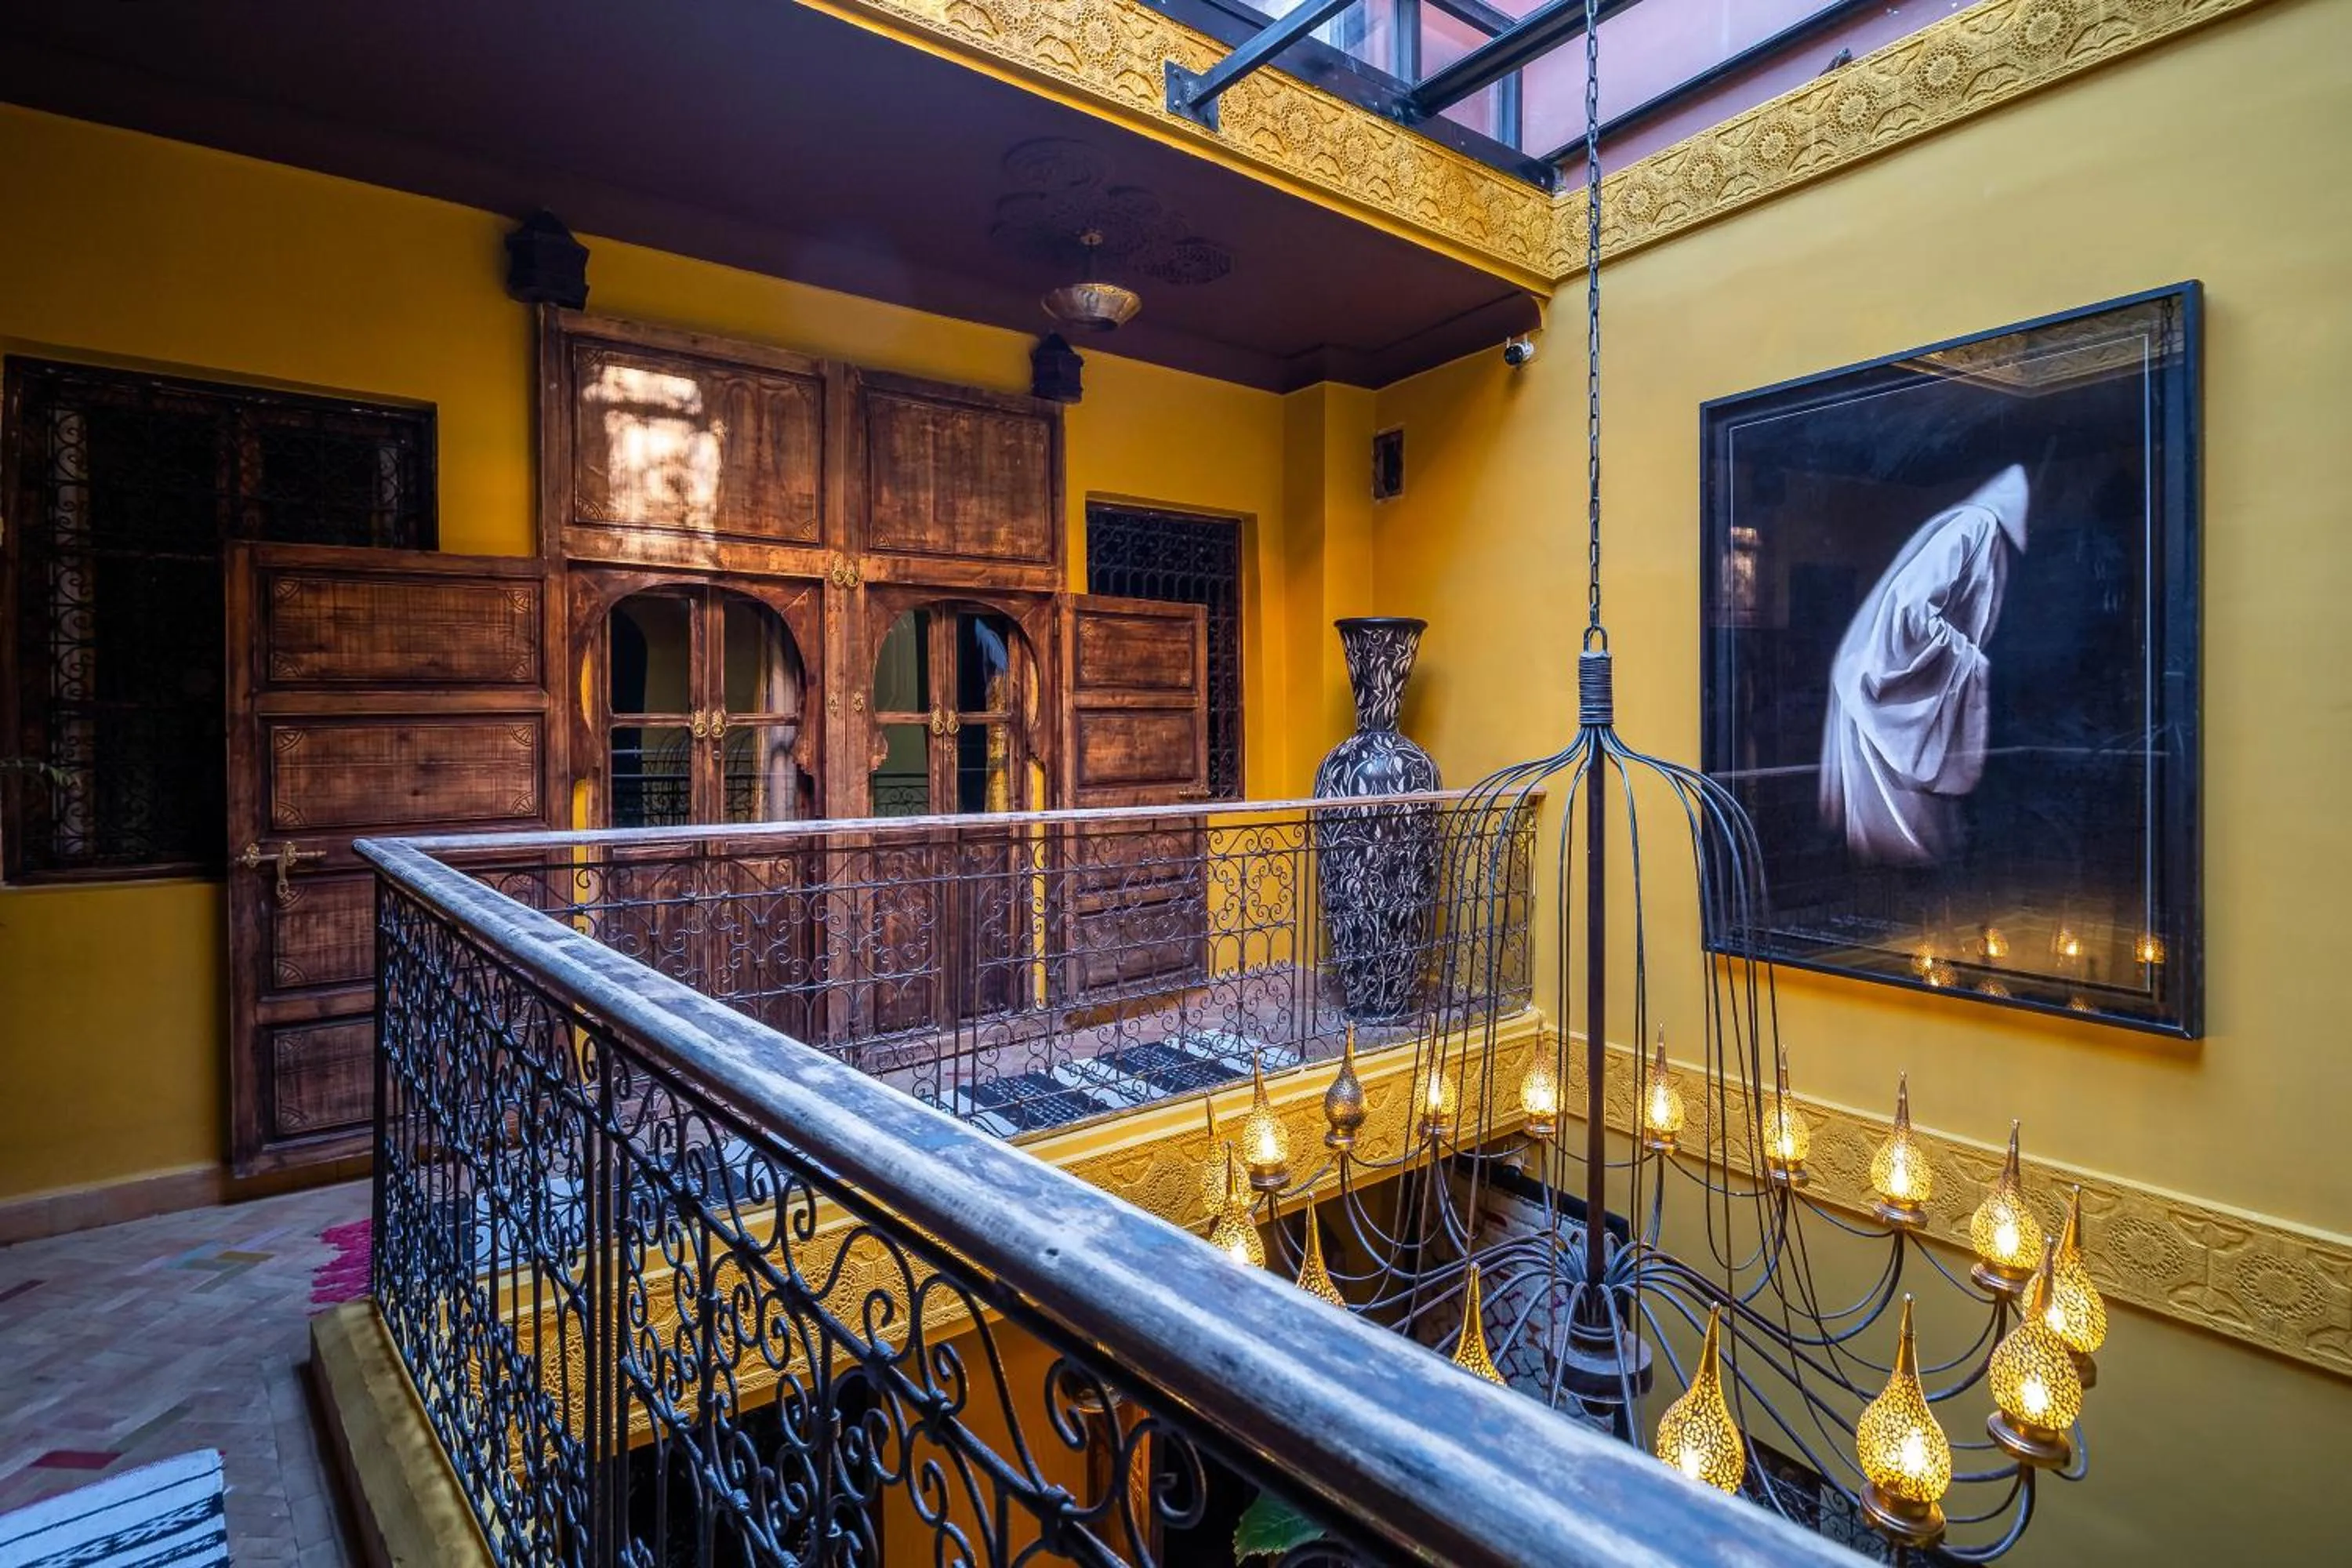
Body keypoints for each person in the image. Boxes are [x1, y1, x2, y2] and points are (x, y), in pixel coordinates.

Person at [1820, 463, 2031, 866]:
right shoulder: (1975, 525)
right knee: (1908, 853)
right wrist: (1974, 663)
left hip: (1902, 705)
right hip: (1888, 710)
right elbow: (1910, 613)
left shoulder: (1992, 531)